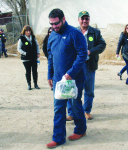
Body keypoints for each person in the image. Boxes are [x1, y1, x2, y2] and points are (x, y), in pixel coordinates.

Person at [46, 8, 88, 148]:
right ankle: (58, 138)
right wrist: (49, 74)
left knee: (76, 106)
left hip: (74, 79)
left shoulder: (74, 33)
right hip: (58, 80)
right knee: (58, 108)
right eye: (51, 24)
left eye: (56, 23)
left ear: (63, 19)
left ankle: (81, 130)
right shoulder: (52, 35)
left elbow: (82, 55)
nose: (54, 26)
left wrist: (71, 73)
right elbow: (50, 57)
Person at [67, 11, 106, 121]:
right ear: (78, 20)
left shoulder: (95, 32)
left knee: (89, 90)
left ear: (89, 20)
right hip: (75, 65)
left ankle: (86, 111)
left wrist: (90, 51)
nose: (84, 21)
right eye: (82, 18)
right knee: (72, 89)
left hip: (89, 65)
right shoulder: (73, 31)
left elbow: (102, 45)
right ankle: (71, 113)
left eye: (87, 18)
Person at [17, 25, 40, 90]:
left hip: (34, 57)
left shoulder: (33, 37)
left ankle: (35, 84)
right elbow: (19, 49)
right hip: (26, 58)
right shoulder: (22, 38)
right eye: (27, 31)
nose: (28, 32)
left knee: (35, 71)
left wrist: (38, 53)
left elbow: (37, 45)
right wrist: (25, 53)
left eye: (29, 31)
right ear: (24, 31)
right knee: (28, 71)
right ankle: (29, 84)